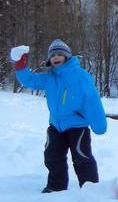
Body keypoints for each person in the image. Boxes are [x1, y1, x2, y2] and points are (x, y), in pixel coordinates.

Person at [11, 40, 107, 192]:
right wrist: (20, 65)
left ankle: (91, 190)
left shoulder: (80, 76)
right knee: (52, 157)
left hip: (78, 126)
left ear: (67, 56)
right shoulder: (50, 77)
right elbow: (29, 80)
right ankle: (56, 187)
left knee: (82, 158)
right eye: (53, 55)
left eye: (60, 54)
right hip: (56, 126)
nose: (56, 57)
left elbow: (92, 99)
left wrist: (99, 124)